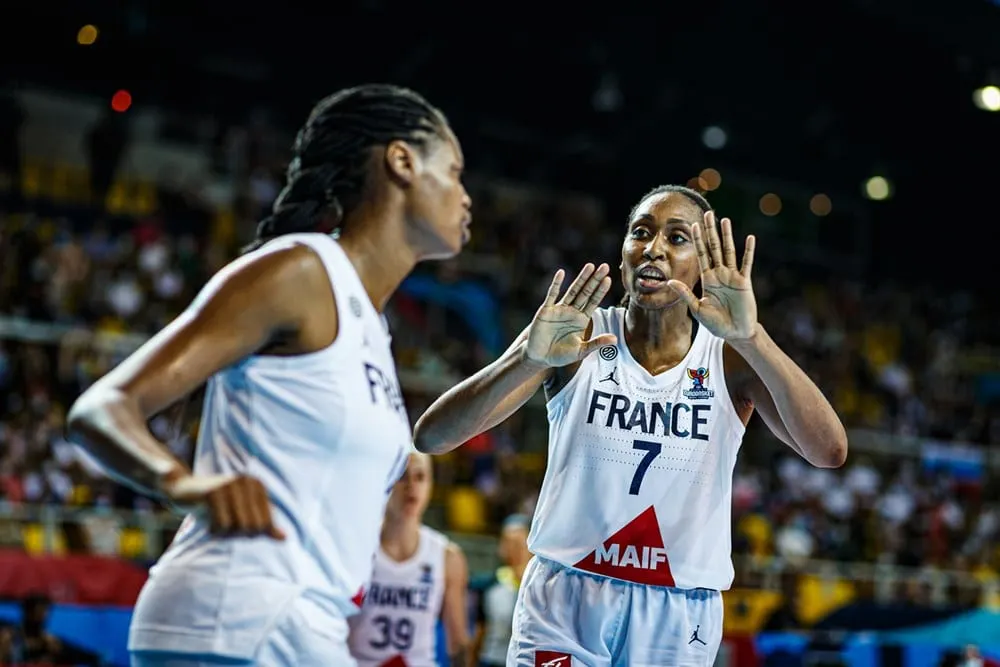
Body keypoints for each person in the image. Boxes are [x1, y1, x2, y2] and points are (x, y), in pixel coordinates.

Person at [67, 84, 472, 667]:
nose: (465, 197)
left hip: (294, 625)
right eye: (454, 172)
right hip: (239, 617)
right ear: (402, 161)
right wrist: (179, 483)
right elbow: (101, 407)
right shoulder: (301, 272)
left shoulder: (372, 329)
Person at [413, 184, 847, 666]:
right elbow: (433, 436)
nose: (653, 248)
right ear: (623, 254)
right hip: (566, 596)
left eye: (677, 238)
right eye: (640, 233)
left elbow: (828, 451)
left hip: (678, 610)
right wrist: (524, 360)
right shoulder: (576, 332)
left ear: (703, 265)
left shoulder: (730, 358)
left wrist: (753, 337)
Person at [348, 453, 469, 667]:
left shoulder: (447, 556)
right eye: (403, 476)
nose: (412, 485)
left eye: (420, 477)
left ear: (430, 485)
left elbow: (457, 643)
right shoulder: (356, 546)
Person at [470, 515, 532, 667]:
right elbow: (480, 630)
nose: (513, 550)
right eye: (508, 543)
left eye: (519, 544)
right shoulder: (490, 585)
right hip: (492, 660)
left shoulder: (541, 588)